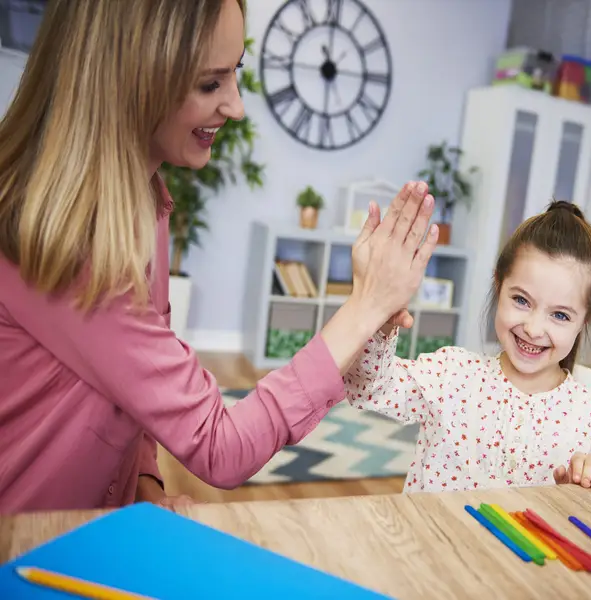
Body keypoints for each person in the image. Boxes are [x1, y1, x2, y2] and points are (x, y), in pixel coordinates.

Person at [0, 0, 438, 513]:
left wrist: (145, 485)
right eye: (210, 84)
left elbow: (134, 388)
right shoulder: (71, 240)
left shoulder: (146, 204)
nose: (236, 105)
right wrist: (364, 305)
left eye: (236, 73)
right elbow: (220, 444)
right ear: (131, 78)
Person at [345, 200, 591, 493]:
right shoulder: (451, 373)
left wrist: (578, 494)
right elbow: (367, 388)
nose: (533, 328)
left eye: (560, 315)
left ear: (588, 317)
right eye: (522, 301)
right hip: (430, 537)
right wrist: (381, 316)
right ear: (498, 283)